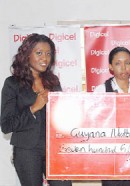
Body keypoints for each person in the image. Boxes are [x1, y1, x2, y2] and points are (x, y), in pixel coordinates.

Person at [0, 33, 72, 186]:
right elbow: (6, 125)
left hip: (54, 149)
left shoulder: (53, 82)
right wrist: (33, 108)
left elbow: (61, 116)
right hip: (27, 151)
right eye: (39, 53)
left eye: (48, 54)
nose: (45, 58)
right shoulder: (12, 83)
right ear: (27, 55)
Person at [94, 46, 130, 186]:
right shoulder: (101, 90)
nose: (123, 67)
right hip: (110, 154)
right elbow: (95, 123)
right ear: (110, 67)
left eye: (127, 63)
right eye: (118, 63)